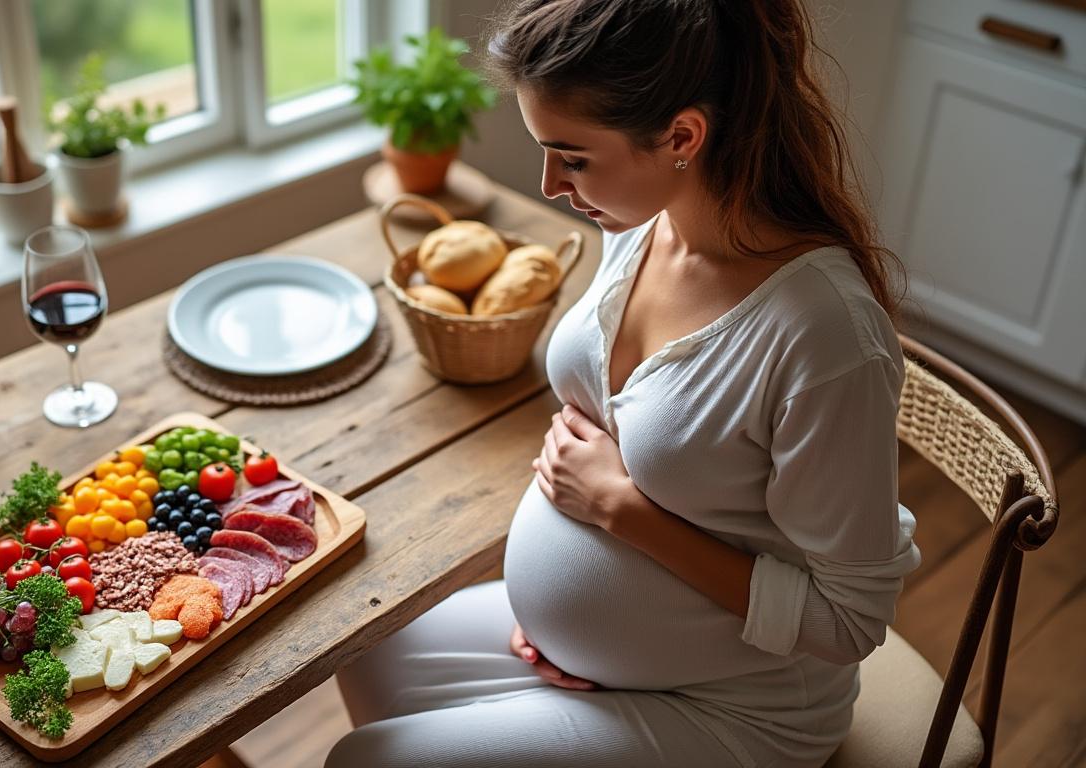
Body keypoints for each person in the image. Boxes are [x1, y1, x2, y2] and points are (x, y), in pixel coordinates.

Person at [326, 1, 921, 766]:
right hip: (603, 654)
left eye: (571, 158)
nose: (548, 183)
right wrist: (566, 621)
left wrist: (617, 509)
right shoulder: (639, 225)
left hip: (735, 708)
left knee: (366, 760)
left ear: (681, 137)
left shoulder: (824, 336)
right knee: (364, 646)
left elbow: (847, 624)